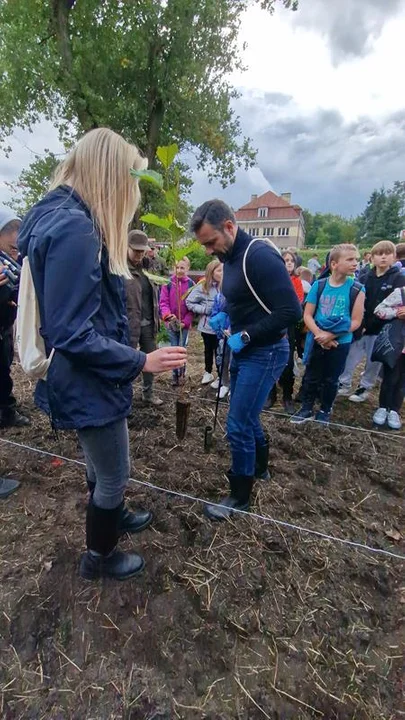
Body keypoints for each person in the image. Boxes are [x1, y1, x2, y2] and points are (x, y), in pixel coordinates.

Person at [17, 128, 187, 581]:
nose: (133, 190)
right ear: (112, 175)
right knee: (114, 473)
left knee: (101, 463)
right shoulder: (76, 229)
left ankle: (115, 514)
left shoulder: (59, 215)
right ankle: (101, 555)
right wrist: (140, 362)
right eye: (131, 177)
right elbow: (73, 331)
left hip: (85, 375)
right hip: (89, 376)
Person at [192, 199, 301, 520]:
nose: (209, 251)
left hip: (265, 352)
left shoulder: (260, 256)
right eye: (204, 245)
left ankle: (240, 497)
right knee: (248, 416)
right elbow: (246, 298)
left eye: (211, 242)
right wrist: (225, 314)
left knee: (237, 423)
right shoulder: (232, 257)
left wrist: (248, 334)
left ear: (229, 226)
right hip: (244, 351)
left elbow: (290, 311)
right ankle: (260, 470)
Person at [291, 244, 365, 425]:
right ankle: (307, 408)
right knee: (311, 375)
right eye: (350, 259)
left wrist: (331, 336)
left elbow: (355, 321)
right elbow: (308, 315)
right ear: (334, 264)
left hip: (340, 342)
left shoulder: (357, 289)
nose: (355, 263)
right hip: (317, 339)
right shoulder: (319, 285)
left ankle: (325, 410)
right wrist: (319, 334)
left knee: (332, 379)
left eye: (356, 259)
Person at [338, 241, 405, 402]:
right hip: (360, 326)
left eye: (387, 253)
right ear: (372, 258)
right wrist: (359, 324)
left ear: (394, 256)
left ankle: (365, 386)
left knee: (373, 360)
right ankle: (344, 383)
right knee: (350, 356)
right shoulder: (364, 277)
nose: (383, 257)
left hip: (383, 329)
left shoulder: (399, 279)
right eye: (379, 254)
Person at [125, 230, 163, 406]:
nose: (139, 255)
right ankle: (124, 396)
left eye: (142, 251)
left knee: (150, 358)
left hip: (148, 323)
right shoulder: (120, 269)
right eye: (136, 251)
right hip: (128, 324)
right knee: (126, 361)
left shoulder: (149, 268)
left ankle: (148, 393)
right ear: (126, 247)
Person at [0, 207, 30, 429]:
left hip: (4, 328)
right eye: (9, 230)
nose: (15, 238)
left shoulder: (11, 264)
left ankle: (6, 411)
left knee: (3, 369)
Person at [266, 251, 304, 413]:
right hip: (271, 324)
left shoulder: (296, 282)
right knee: (269, 360)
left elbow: (297, 303)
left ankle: (287, 396)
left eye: (291, 260)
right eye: (285, 260)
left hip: (288, 326)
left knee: (287, 363)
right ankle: (270, 394)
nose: (288, 263)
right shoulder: (270, 280)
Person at [370, 286, 405, 429]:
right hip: (397, 344)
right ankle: (383, 407)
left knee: (402, 381)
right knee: (391, 376)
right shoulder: (401, 293)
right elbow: (379, 310)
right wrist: (397, 312)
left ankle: (395, 410)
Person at [186, 259, 222, 386]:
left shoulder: (227, 286)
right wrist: (205, 310)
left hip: (222, 329)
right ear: (211, 272)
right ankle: (207, 372)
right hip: (207, 327)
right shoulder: (202, 287)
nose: (222, 273)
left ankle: (220, 376)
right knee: (208, 350)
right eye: (219, 270)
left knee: (220, 352)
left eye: (224, 270)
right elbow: (189, 302)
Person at [159, 259, 194, 386]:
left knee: (181, 348)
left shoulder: (191, 285)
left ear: (187, 268)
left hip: (183, 325)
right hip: (171, 322)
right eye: (177, 267)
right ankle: (174, 375)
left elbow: (192, 307)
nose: (179, 270)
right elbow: (163, 302)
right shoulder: (168, 283)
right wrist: (168, 316)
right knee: (173, 348)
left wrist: (185, 322)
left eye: (182, 268)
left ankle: (182, 374)